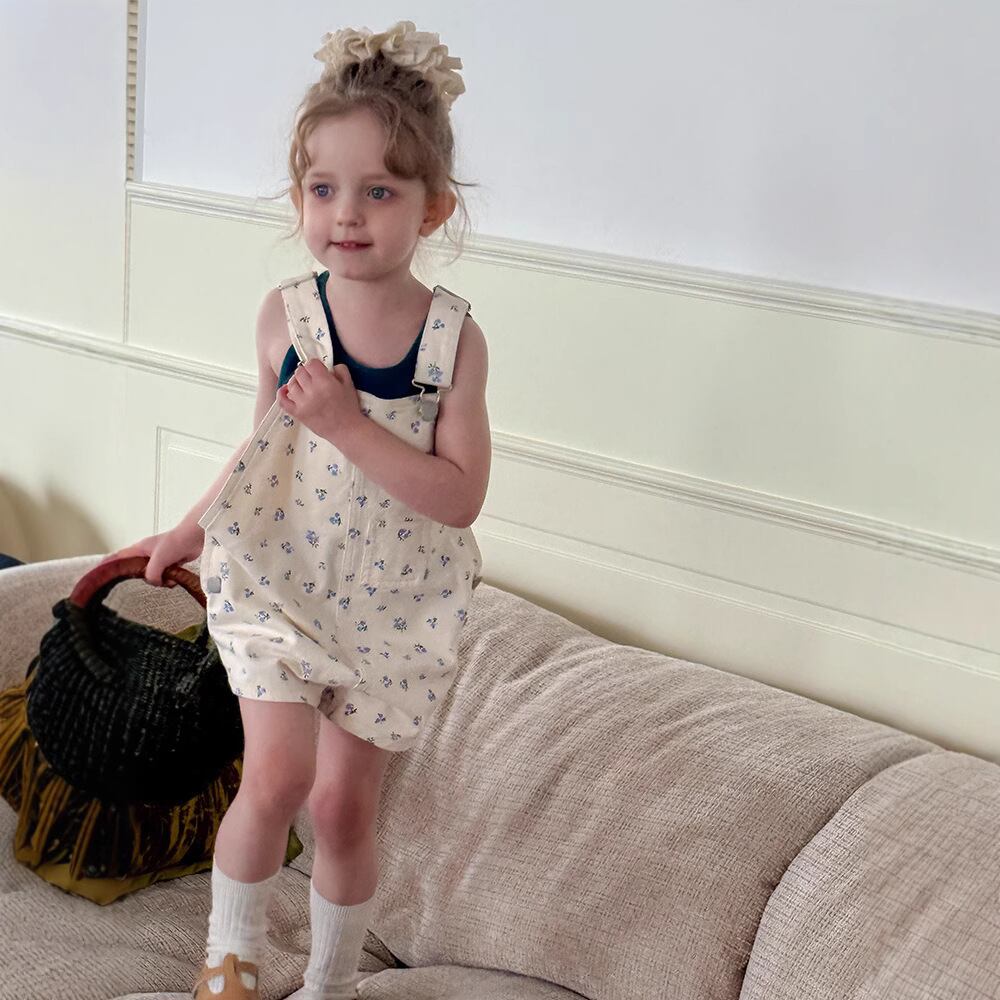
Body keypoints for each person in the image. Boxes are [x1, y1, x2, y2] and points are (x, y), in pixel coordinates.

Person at [101, 21, 489, 1000]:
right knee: (274, 779)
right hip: (280, 582)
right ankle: (228, 971)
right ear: (298, 197)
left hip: (391, 608)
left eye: (379, 191)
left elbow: (459, 497)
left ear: (434, 206)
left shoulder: (454, 340)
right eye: (322, 189)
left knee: (342, 808)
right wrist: (189, 528)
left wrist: (351, 426)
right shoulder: (287, 315)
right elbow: (261, 450)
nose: (345, 214)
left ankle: (328, 983)